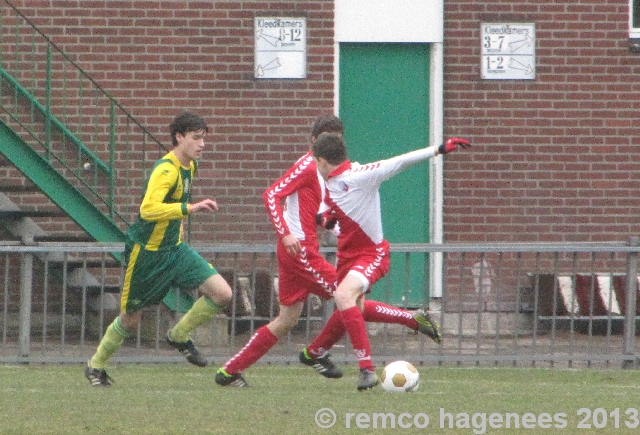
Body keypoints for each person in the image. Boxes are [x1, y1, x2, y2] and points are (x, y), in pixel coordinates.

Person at [215, 115, 443, 387]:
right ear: (313, 142)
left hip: (299, 251)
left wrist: (332, 227)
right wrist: (286, 233)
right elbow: (271, 195)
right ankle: (406, 322)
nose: (332, 142)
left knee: (287, 319)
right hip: (301, 252)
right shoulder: (308, 165)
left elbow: (319, 212)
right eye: (325, 137)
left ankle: (229, 371)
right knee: (349, 298)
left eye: (337, 137)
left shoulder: (333, 173)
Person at [307, 132, 471, 390]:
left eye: (316, 161)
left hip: (372, 254)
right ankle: (412, 320)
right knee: (351, 308)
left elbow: (398, 161)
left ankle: (366, 370)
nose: (314, 166)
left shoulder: (361, 176)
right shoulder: (326, 178)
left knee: (343, 297)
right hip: (346, 256)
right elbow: (323, 208)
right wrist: (324, 219)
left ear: (324, 161)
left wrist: (438, 149)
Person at [84, 111, 233, 387]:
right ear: (179, 137)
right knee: (130, 321)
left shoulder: (190, 166)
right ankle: (96, 365)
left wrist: (181, 225)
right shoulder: (166, 169)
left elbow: (175, 205)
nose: (202, 145)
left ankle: (178, 335)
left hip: (175, 250)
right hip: (147, 254)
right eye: (196, 138)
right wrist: (189, 208)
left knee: (222, 293)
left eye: (204, 139)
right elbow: (148, 209)